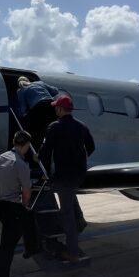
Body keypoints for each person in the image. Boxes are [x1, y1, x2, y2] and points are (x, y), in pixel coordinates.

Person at [38, 94, 95, 263]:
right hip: (79, 174)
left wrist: (44, 173)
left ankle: (72, 252)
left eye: (56, 107)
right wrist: (81, 159)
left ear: (61, 109)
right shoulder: (82, 126)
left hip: (63, 175)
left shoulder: (55, 126)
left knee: (66, 214)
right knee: (69, 199)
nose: (55, 109)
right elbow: (91, 147)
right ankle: (80, 220)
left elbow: (46, 153)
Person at [0, 131, 40, 277]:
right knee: (6, 253)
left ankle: (31, 248)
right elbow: (26, 192)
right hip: (11, 208)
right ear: (26, 145)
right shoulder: (21, 164)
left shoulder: (0, 158)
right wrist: (25, 205)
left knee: (26, 219)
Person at [16, 76, 60, 149]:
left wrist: (22, 117)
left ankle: (36, 151)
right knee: (53, 129)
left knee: (37, 133)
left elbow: (22, 107)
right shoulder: (40, 83)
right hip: (51, 106)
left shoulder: (20, 90)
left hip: (38, 108)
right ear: (28, 80)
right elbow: (56, 91)